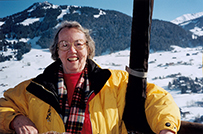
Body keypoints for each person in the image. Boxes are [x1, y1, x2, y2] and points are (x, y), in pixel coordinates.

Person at [0, 21, 180, 134]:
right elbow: (3, 106)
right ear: (57, 51)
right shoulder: (34, 88)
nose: (72, 50)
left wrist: (166, 128)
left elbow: (158, 98)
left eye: (79, 44)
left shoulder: (114, 81)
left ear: (88, 49)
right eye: (65, 45)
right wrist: (17, 119)